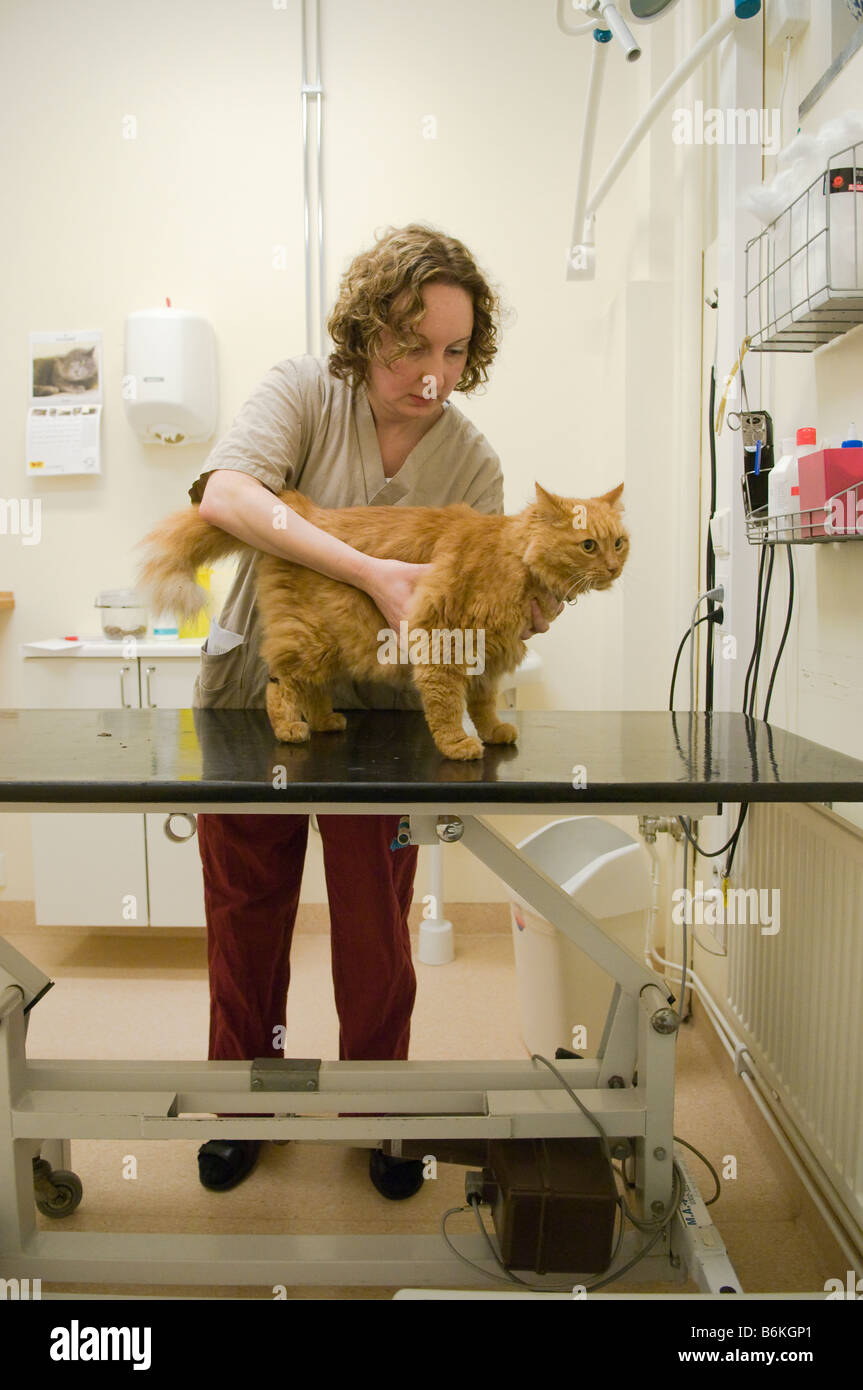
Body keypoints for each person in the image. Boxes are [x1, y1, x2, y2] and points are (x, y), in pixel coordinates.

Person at [189, 223, 559, 1199]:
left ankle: (382, 1116)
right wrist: (367, 571)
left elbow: (477, 599)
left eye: (451, 351)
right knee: (245, 918)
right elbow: (226, 491)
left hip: (388, 720)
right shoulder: (303, 393)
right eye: (409, 344)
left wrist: (520, 609)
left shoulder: (469, 462)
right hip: (257, 697)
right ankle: (243, 1104)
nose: (430, 375)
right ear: (365, 331)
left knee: (375, 932)